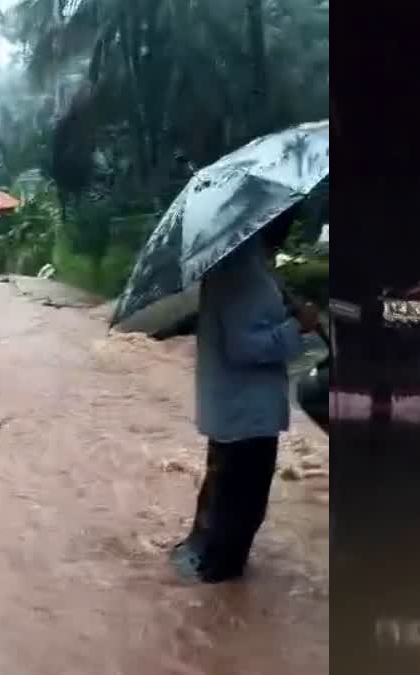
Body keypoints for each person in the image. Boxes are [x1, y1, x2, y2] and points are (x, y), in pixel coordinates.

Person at [170, 209, 320, 583]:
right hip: (247, 414)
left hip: (233, 411)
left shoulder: (239, 261)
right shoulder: (245, 273)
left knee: (221, 503)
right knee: (241, 510)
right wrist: (296, 329)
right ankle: (213, 587)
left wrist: (285, 307)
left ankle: (197, 570)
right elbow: (245, 346)